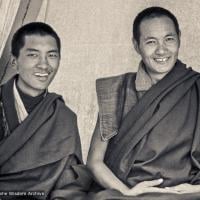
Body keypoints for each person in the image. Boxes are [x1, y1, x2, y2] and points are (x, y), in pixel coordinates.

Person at [87, 6, 200, 200]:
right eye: (151, 42)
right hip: (128, 192)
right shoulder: (117, 90)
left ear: (179, 38)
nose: (162, 50)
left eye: (169, 39)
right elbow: (95, 161)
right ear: (136, 45)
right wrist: (127, 192)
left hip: (186, 193)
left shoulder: (196, 86)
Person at [0, 22, 89, 200]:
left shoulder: (64, 117)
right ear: (14, 61)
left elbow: (70, 184)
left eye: (52, 56)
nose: (44, 65)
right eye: (33, 55)